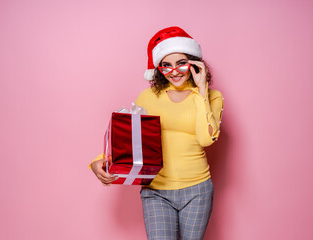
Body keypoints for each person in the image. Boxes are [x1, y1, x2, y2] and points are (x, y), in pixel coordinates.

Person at [89, 26, 224, 240]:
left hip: (197, 190)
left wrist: (201, 92)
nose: (175, 71)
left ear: (194, 62)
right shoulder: (149, 97)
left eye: (181, 63)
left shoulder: (212, 97)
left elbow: (206, 138)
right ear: (158, 69)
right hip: (156, 191)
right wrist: (99, 161)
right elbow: (129, 138)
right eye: (166, 65)